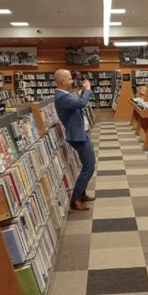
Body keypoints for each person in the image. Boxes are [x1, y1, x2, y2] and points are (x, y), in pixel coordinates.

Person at [54, 69, 96, 211]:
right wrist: (88, 90)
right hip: (77, 136)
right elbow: (80, 104)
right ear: (63, 81)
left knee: (88, 164)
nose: (72, 81)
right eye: (70, 79)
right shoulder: (62, 97)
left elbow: (78, 102)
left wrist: (84, 92)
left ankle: (82, 193)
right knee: (89, 166)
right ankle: (76, 199)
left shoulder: (64, 95)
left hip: (81, 132)